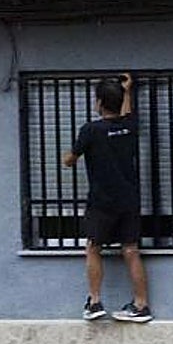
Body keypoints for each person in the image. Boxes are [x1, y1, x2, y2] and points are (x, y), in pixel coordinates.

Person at [62, 73, 153, 323]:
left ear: (99, 102)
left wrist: (68, 155)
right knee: (131, 250)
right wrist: (127, 91)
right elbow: (126, 115)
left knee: (93, 247)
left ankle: (94, 301)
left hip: (102, 201)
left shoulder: (91, 130)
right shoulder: (129, 127)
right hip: (129, 200)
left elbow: (70, 160)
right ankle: (141, 304)